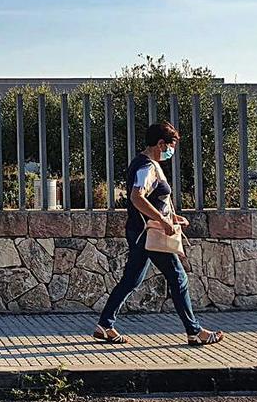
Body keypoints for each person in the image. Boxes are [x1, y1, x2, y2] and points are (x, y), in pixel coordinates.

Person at [94, 121, 223, 346]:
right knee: (178, 277)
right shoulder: (147, 166)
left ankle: (105, 325)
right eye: (170, 146)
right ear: (161, 144)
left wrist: (172, 217)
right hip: (149, 233)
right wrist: (162, 220)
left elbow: (153, 199)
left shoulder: (144, 163)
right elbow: (137, 198)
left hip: (140, 231)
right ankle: (194, 332)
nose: (171, 151)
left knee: (132, 279)